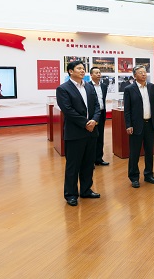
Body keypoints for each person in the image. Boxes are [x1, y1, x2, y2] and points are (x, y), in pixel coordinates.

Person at [56, 60, 102, 206]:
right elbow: (67, 110)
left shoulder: (89, 86)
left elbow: (97, 106)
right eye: (79, 68)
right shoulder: (63, 89)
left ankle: (86, 190)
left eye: (83, 68)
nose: (82, 71)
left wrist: (94, 120)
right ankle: (71, 194)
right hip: (75, 133)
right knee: (73, 165)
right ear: (70, 71)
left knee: (88, 163)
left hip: (91, 131)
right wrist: (85, 123)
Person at [124, 64, 154, 188]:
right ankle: (134, 177)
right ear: (135, 76)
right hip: (136, 125)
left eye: (145, 72)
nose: (144, 74)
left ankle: (149, 174)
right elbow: (127, 109)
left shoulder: (151, 87)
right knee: (134, 153)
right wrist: (128, 125)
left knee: (149, 151)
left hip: (149, 124)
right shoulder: (129, 89)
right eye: (140, 72)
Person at [89, 67, 109, 167]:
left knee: (100, 136)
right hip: (92, 115)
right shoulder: (87, 86)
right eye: (96, 73)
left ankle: (99, 159)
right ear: (91, 75)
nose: (98, 74)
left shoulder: (104, 86)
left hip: (102, 113)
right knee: (92, 138)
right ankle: (90, 161)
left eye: (99, 72)